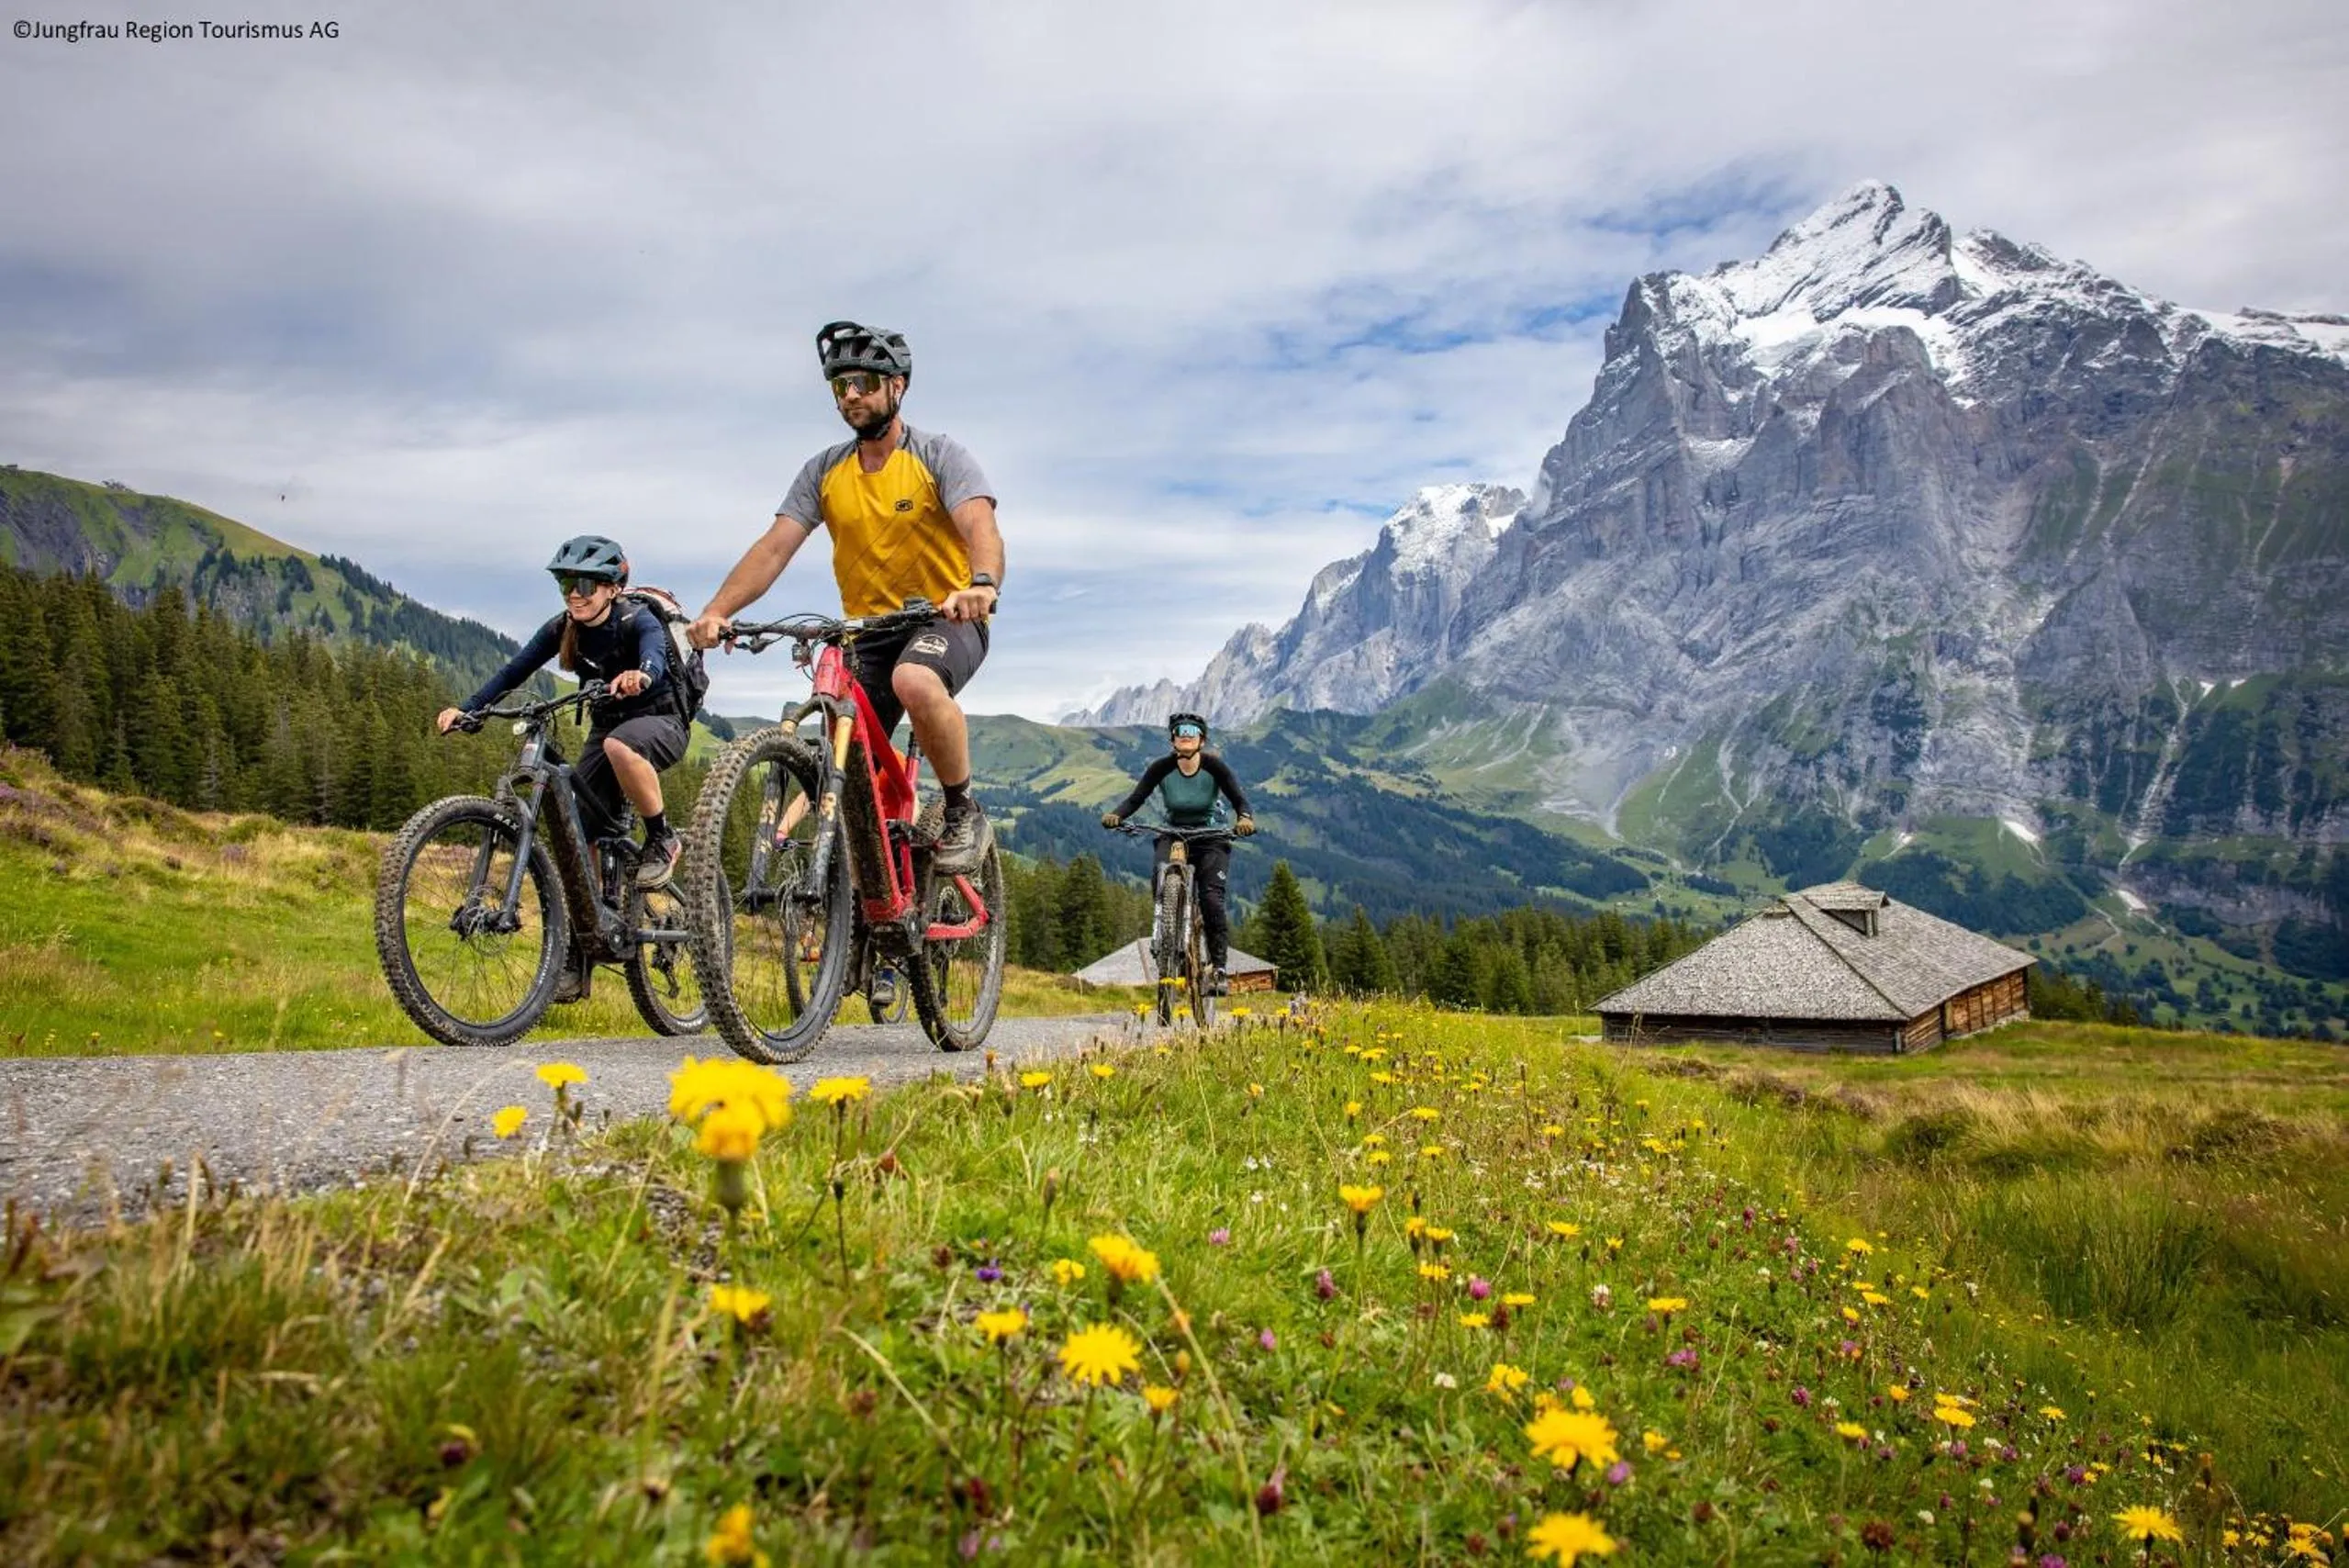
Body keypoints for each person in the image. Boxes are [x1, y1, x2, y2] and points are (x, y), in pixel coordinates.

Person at [688, 320, 1004, 875]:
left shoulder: (938, 455)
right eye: (840, 386)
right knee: (841, 746)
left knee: (916, 679)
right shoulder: (825, 471)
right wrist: (718, 610)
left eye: (862, 382)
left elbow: (980, 522)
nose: (850, 395)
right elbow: (774, 547)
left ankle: (962, 812)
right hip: (870, 632)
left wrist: (980, 584)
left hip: (946, 617)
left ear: (897, 386)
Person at [439, 537, 692, 997]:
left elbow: (654, 653)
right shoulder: (563, 628)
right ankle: (581, 950)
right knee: (577, 832)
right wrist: (469, 708)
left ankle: (662, 837)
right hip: (607, 724)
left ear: (613, 587)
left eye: (584, 584)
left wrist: (643, 675)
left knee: (619, 746)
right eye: (564, 585)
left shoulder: (638, 619)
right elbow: (513, 671)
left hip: (659, 720)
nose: (574, 594)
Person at [1100, 712, 1256, 993]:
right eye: (1179, 731)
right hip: (1174, 834)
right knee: (1161, 880)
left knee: (1211, 898)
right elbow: (1137, 798)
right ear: (1172, 738)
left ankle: (1218, 969)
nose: (1185, 734)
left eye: (1192, 731)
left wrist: (1244, 818)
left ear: (1202, 739)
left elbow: (1238, 797)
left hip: (1211, 837)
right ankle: (1167, 937)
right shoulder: (1161, 767)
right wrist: (1116, 815)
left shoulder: (1214, 767)